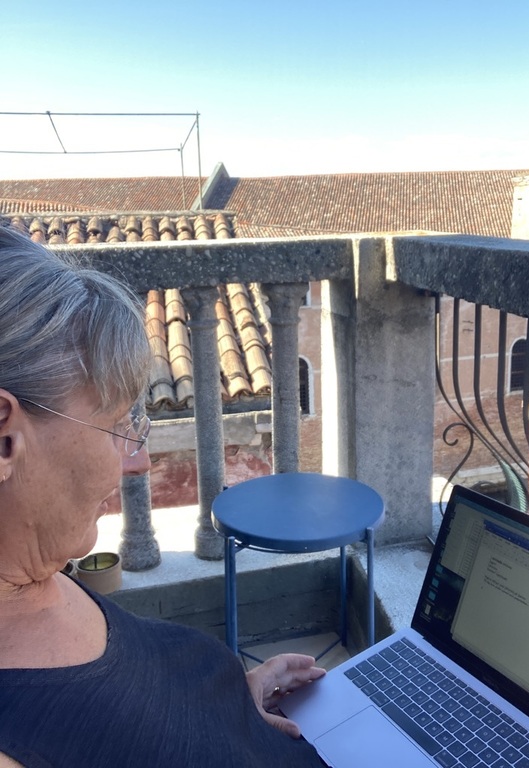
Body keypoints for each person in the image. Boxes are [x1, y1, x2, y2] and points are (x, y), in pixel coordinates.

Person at [0, 225, 326, 767]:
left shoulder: (38, 570)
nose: (138, 461)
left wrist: (227, 710)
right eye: (115, 427)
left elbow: (130, 720)